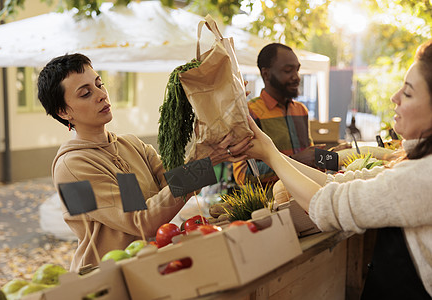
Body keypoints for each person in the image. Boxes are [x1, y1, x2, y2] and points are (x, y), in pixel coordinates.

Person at [244, 40, 432, 298]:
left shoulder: (422, 178)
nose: (394, 97)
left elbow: (327, 205)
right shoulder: (417, 168)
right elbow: (344, 185)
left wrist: (271, 155)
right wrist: (272, 154)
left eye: (408, 93)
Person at [37, 53, 251, 272]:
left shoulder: (131, 145)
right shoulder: (70, 169)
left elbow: (175, 186)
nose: (101, 95)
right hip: (110, 278)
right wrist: (200, 163)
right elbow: (141, 221)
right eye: (85, 93)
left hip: (155, 264)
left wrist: (219, 115)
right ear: (63, 112)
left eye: (99, 84)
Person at [233, 43, 319, 186]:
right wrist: (295, 160)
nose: (296, 77)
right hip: (271, 206)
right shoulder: (249, 114)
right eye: (288, 71)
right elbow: (243, 174)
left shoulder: (301, 110)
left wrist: (332, 155)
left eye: (297, 70)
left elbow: (308, 157)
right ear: (266, 74)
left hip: (306, 199)